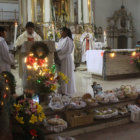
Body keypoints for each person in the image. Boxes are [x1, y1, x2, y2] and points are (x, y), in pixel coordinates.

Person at [55, 27, 76, 96]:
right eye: (60, 31)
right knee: (61, 75)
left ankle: (66, 91)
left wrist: (56, 53)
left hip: (66, 59)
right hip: (61, 58)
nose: (60, 33)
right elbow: (59, 48)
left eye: (62, 31)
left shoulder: (68, 40)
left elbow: (66, 50)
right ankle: (61, 90)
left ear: (66, 32)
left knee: (66, 74)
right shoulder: (61, 39)